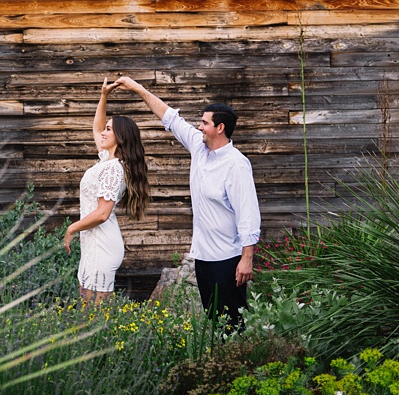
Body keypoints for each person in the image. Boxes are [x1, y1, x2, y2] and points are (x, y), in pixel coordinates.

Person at [113, 76, 260, 329]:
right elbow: (169, 116)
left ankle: (240, 366)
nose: (199, 127)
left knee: (233, 326)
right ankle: (219, 366)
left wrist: (247, 258)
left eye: (204, 123)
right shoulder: (198, 147)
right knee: (215, 324)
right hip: (202, 258)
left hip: (228, 260)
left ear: (220, 128)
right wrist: (137, 88)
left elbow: (248, 213)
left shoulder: (236, 164)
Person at [62, 78, 150, 301]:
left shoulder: (113, 169)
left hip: (102, 245)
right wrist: (103, 96)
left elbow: (102, 214)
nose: (103, 132)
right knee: (88, 306)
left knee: (97, 312)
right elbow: (97, 127)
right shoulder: (106, 161)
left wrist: (72, 228)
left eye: (109, 130)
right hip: (93, 242)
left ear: (119, 138)